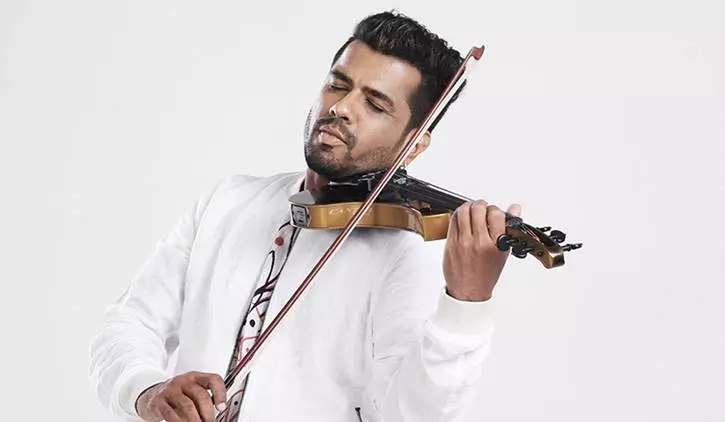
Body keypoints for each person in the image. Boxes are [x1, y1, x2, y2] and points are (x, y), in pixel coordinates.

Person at [89, 10, 521, 422]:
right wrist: (146, 391)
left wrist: (466, 305)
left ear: (415, 144)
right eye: (338, 85)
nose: (342, 107)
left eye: (375, 104)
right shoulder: (227, 201)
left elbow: (410, 415)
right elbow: (129, 324)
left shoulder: (409, 251)